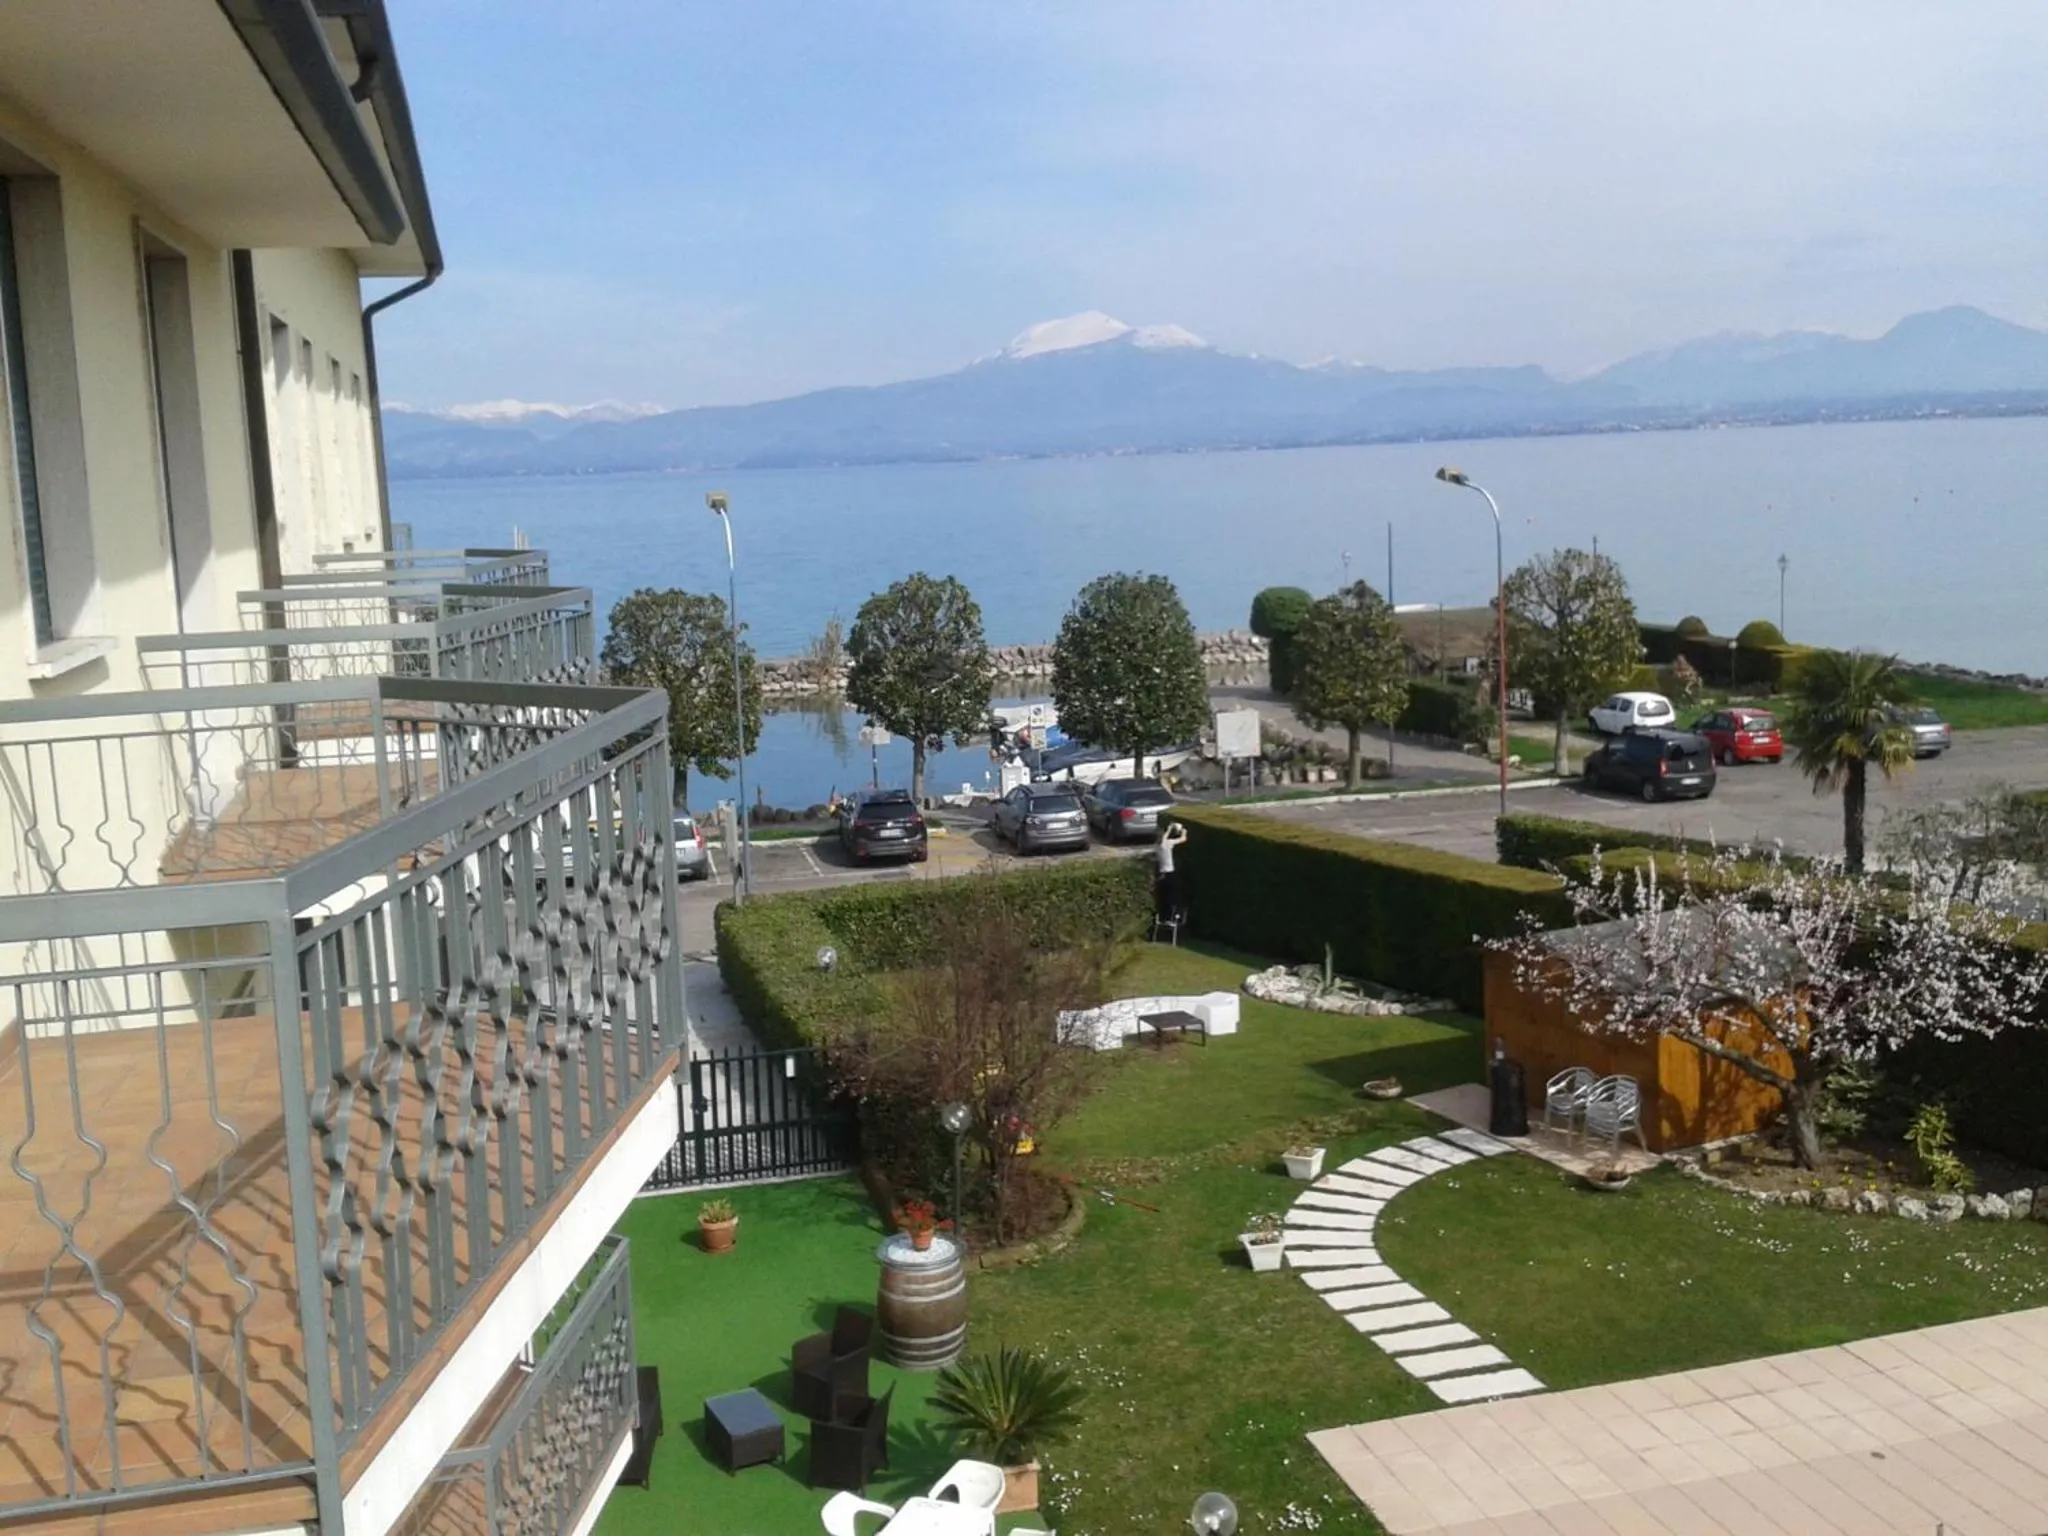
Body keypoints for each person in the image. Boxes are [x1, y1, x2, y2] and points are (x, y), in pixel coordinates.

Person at [1154, 821, 1188, 928]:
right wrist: (1184, 831)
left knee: (1164, 897)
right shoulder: (1167, 844)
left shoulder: (1156, 846)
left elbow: (1163, 837)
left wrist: (1169, 830)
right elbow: (1183, 839)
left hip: (1161, 874)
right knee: (1172, 896)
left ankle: (1164, 918)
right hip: (1169, 874)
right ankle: (1172, 918)